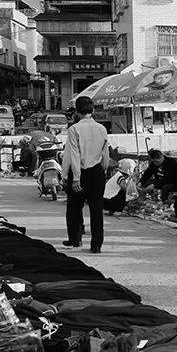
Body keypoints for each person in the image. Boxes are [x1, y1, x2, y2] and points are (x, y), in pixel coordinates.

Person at [62, 95, 110, 253]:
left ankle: (75, 239)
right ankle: (96, 245)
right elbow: (105, 155)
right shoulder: (102, 129)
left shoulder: (74, 129)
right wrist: (102, 171)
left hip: (80, 173)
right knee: (97, 210)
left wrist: (75, 178)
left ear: (77, 111)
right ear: (93, 110)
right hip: (97, 172)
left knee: (74, 207)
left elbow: (74, 155)